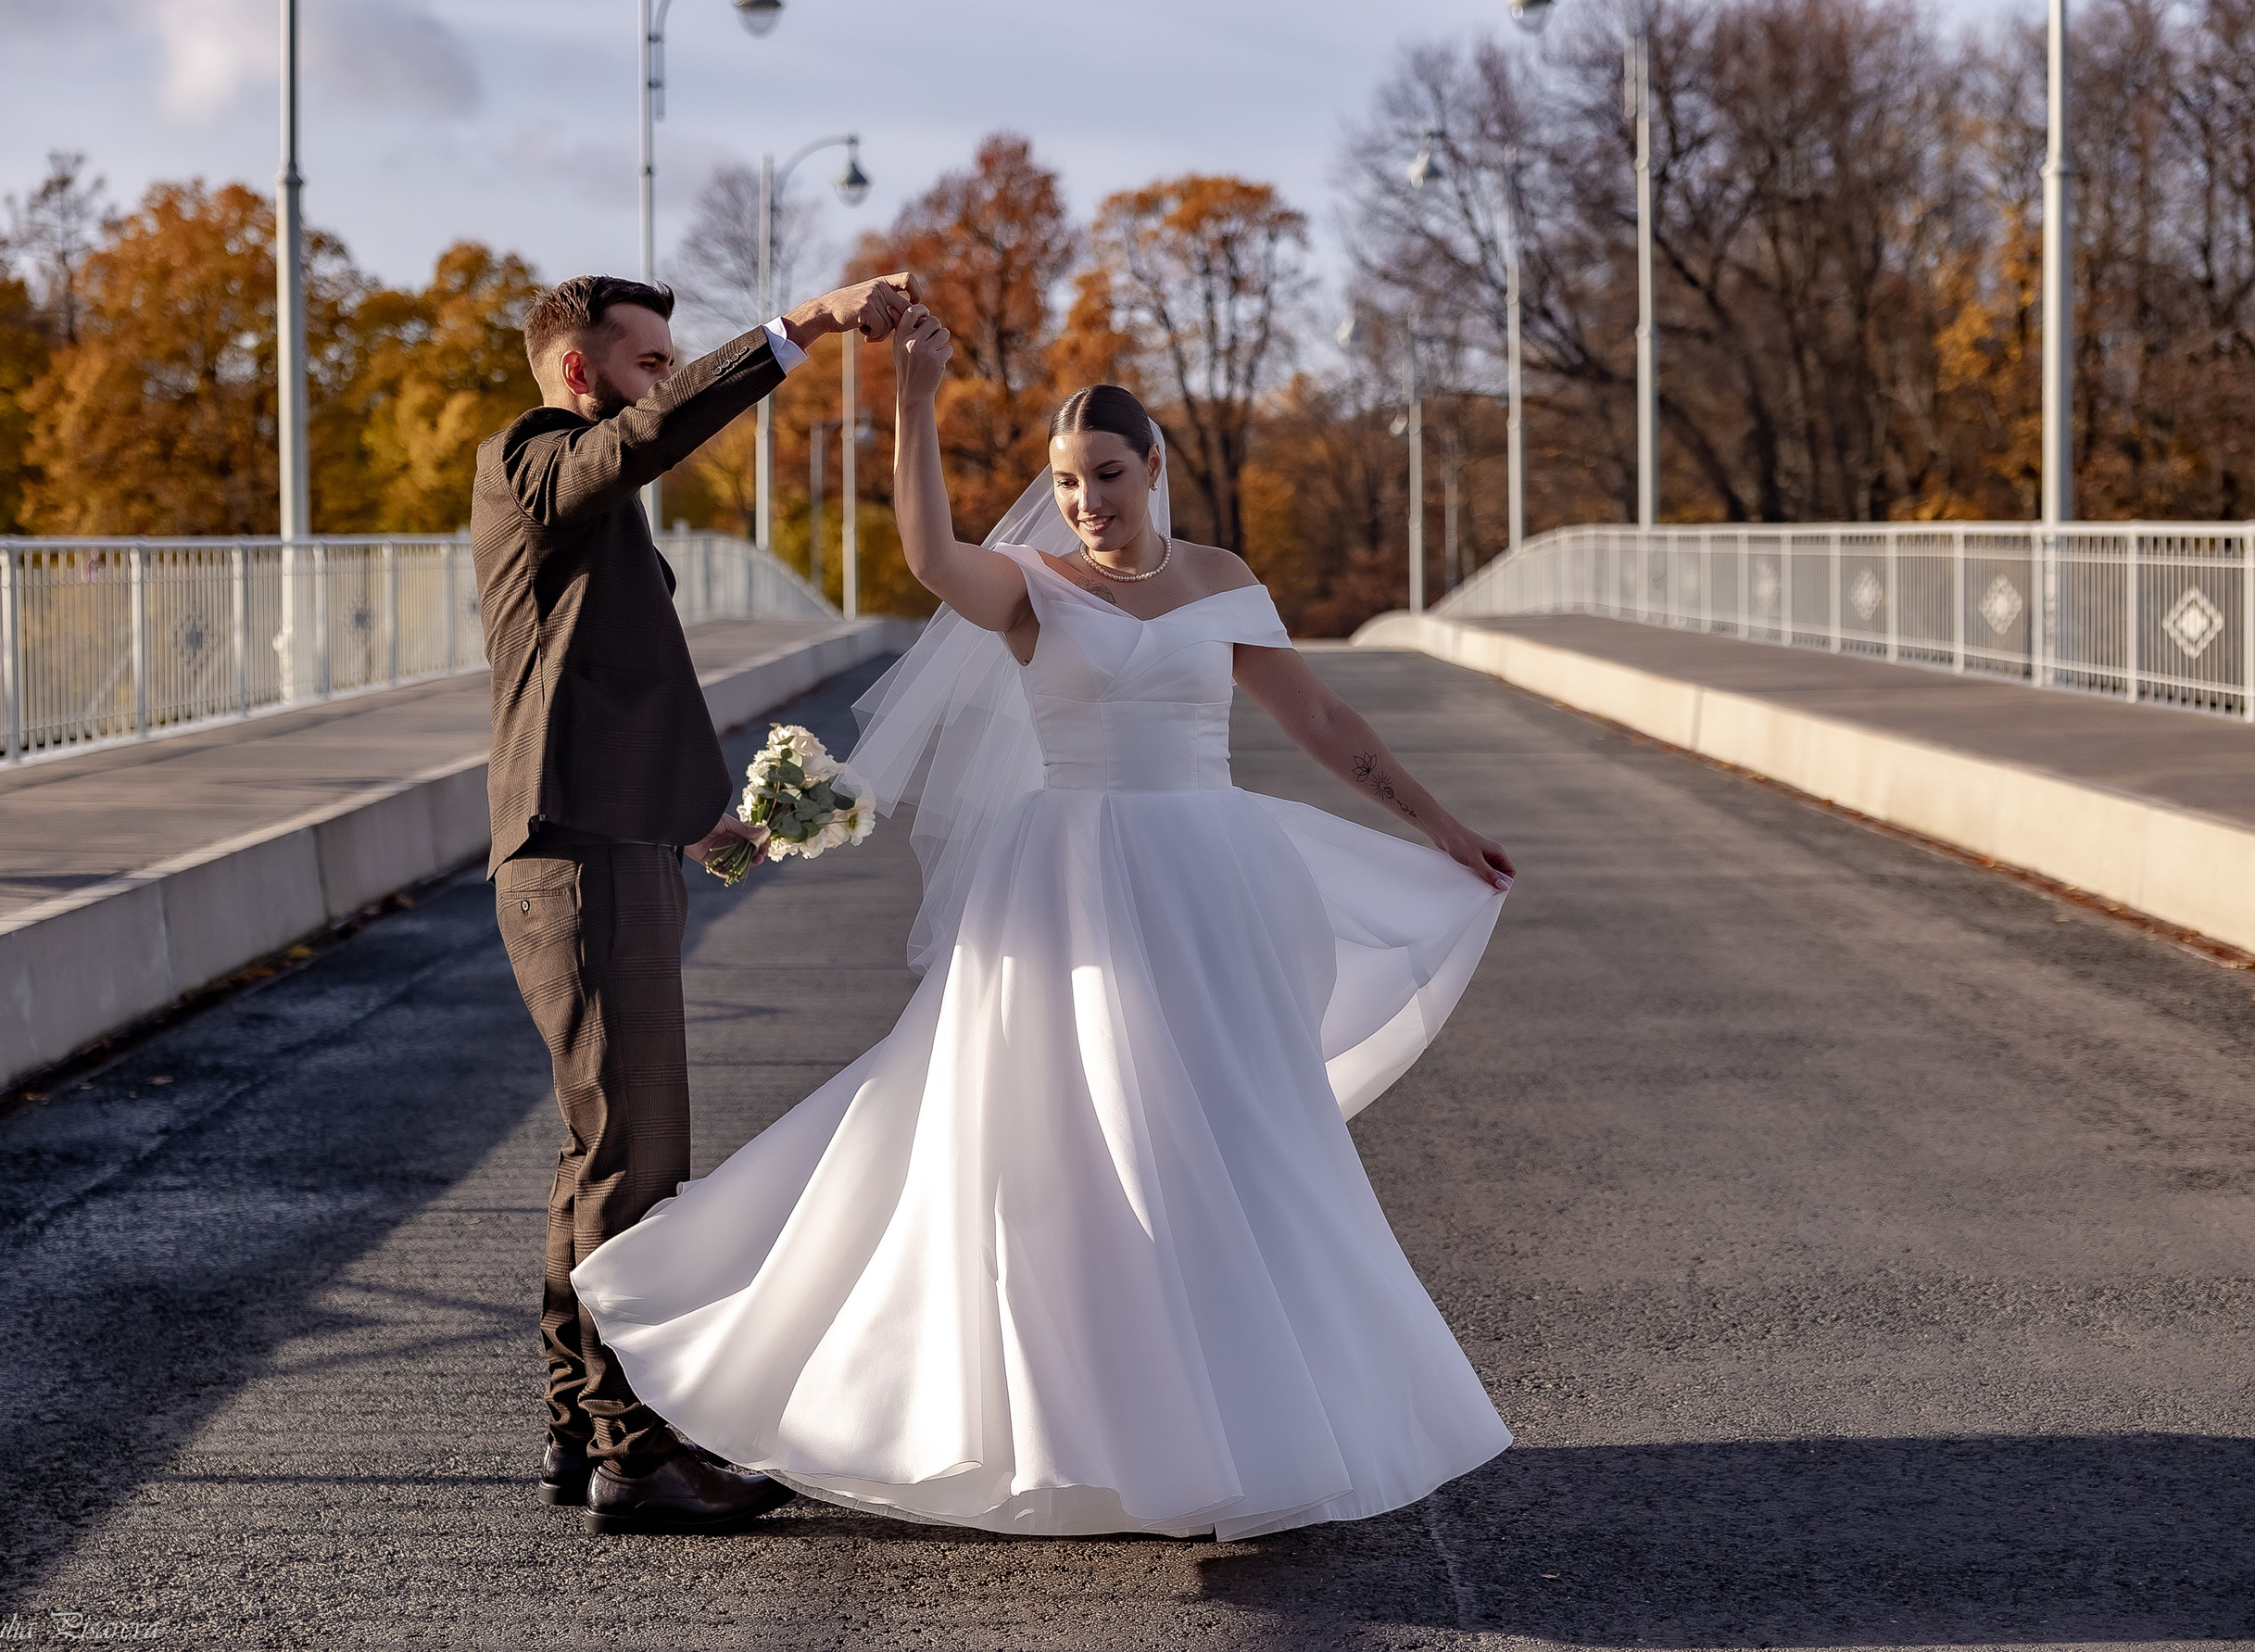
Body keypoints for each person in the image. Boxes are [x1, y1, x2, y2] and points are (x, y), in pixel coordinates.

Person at [566, 301, 1518, 1540]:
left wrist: (1443, 827)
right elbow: (924, 557)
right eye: (1068, 484)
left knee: (1238, 1141)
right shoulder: (1030, 592)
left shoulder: (1224, 582)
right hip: (1071, 887)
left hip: (1213, 882)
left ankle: (1256, 1429)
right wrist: (916, 400)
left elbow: (1327, 725)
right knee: (1089, 1157)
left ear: (1157, 468)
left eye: (1109, 479)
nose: (1089, 505)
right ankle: (1103, 1439)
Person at [469, 270, 913, 1536]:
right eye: (648, 359)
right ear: (579, 374)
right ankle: (637, 1452)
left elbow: (606, 690)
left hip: (613, 844)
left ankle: (577, 1422)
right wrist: (802, 330)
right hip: (578, 860)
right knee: (637, 1159)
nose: (663, 377)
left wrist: (697, 817)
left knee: (600, 1152)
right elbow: (642, 440)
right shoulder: (536, 460)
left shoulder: (586, 513)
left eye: (672, 358)